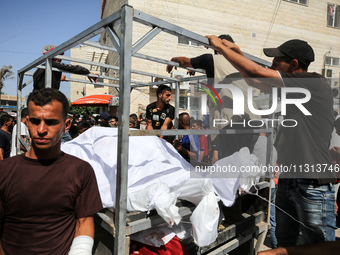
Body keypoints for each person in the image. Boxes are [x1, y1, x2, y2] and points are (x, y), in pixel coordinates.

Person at [206, 36, 336, 246]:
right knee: (285, 244)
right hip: (288, 180)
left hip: (312, 183)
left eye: (277, 61)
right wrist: (236, 51)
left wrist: (219, 46)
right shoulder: (293, 90)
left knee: (319, 247)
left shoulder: (313, 82)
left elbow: (256, 74)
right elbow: (253, 79)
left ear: (293, 64)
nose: (272, 65)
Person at [0, 88, 103, 254]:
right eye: (35, 121)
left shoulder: (81, 171)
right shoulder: (4, 171)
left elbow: (84, 222)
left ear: (66, 125)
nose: (41, 130)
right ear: (26, 122)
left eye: (51, 122)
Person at [33, 45, 98, 91]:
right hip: (46, 98)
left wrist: (58, 78)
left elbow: (43, 82)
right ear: (55, 57)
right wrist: (87, 72)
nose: (61, 59)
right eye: (60, 56)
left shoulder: (40, 69)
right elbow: (72, 68)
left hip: (38, 99)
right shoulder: (52, 63)